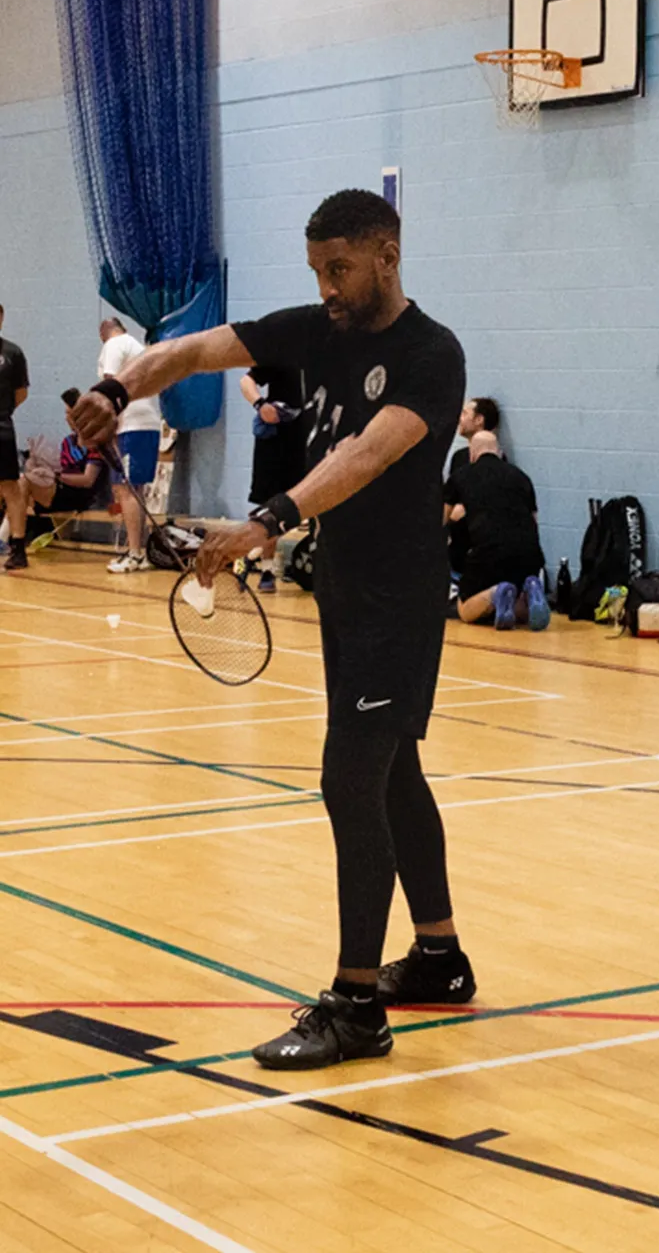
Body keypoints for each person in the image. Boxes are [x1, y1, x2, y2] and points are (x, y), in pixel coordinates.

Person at [71, 189, 473, 1070]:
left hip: (397, 602)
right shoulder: (313, 329)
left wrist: (266, 521)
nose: (327, 288)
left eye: (341, 269)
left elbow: (365, 454)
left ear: (387, 255)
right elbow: (189, 352)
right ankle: (439, 957)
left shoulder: (431, 355)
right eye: (317, 271)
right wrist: (113, 386)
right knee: (394, 768)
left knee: (349, 779)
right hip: (344, 591)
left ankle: (357, 1005)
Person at [447, 429, 548, 630]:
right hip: (530, 555)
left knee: (465, 610)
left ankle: (496, 592)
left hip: (488, 553)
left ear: (471, 454)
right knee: (520, 614)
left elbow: (439, 520)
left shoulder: (461, 476)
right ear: (499, 452)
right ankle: (529, 591)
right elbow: (533, 522)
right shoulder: (522, 477)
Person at [1, 411, 107, 570]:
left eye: (70, 413)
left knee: (22, 484)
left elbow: (87, 480)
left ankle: (8, 541)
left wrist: (56, 476)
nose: (66, 417)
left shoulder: (95, 446)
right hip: (59, 489)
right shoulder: (68, 442)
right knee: (20, 483)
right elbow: (60, 469)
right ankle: (14, 546)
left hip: (81, 494)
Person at [96, 318, 160, 574]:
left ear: (104, 332)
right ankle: (136, 550)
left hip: (133, 425)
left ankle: (135, 554)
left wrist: (105, 427)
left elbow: (109, 386)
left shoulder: (115, 344)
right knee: (132, 490)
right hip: (143, 424)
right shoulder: (135, 346)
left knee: (127, 489)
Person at [239, 364, 308, 593]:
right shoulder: (282, 349)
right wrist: (261, 405)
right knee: (272, 507)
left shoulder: (328, 354)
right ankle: (266, 568)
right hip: (276, 440)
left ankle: (252, 554)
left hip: (307, 438)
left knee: (307, 507)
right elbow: (246, 382)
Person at [444, 396, 501, 581]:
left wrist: (467, 507)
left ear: (479, 420)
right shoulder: (459, 458)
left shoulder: (497, 463)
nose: (459, 418)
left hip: (480, 544)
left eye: (465, 413)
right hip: (456, 545)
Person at [0, 304, 31, 572]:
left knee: (10, 487)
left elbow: (21, 393)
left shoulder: (12, 353)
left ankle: (18, 547)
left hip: (1, 429)